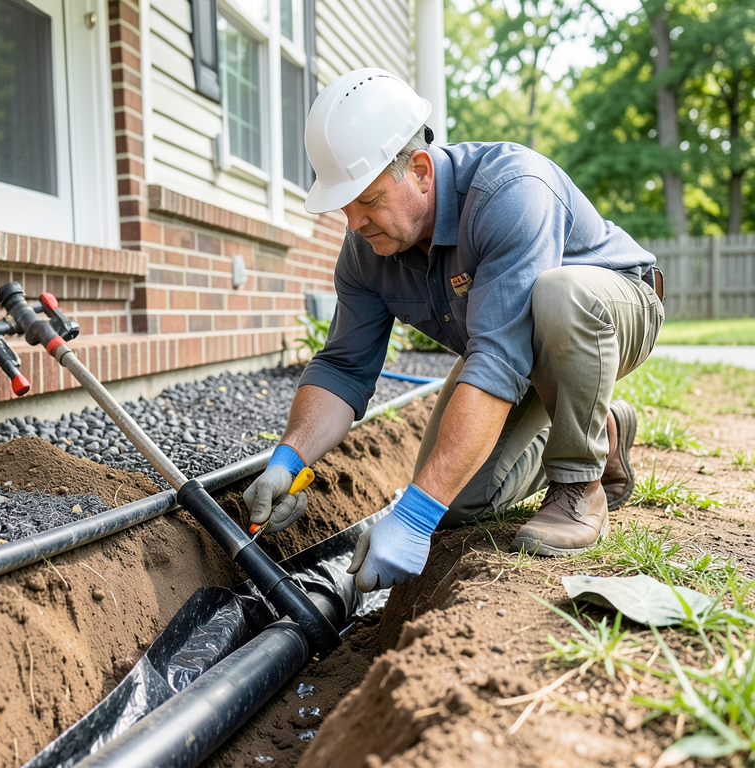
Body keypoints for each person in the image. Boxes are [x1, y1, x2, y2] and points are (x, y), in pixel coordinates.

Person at [243, 68, 664, 592]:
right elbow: (342, 367)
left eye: (368, 200)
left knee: (557, 297)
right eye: (343, 205)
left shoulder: (509, 191)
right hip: (509, 340)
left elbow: (496, 363)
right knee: (459, 499)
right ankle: (607, 431)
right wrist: (290, 457)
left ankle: (579, 484)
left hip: (608, 310)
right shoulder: (367, 252)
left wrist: (413, 516)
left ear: (420, 169)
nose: (354, 221)